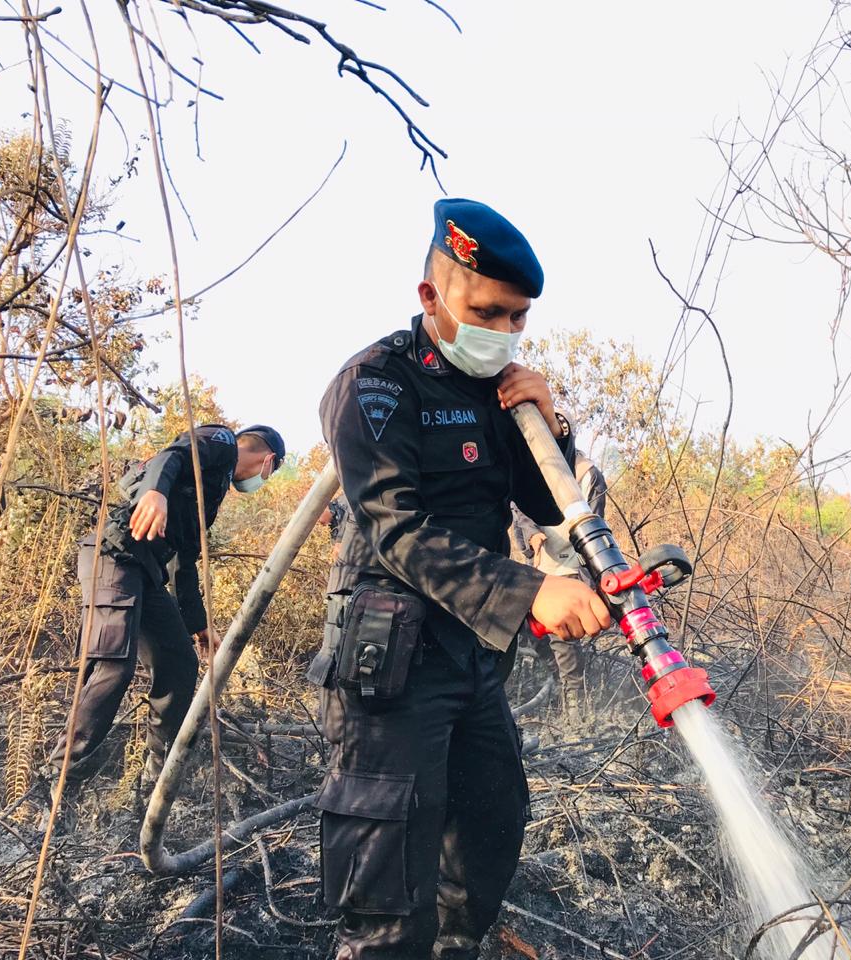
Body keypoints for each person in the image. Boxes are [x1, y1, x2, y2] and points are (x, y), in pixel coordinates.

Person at [312, 198, 612, 959]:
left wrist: (554, 422)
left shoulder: (497, 392)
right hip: (393, 660)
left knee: (490, 823)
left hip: (473, 660)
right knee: (388, 896)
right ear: (431, 298)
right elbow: (395, 528)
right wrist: (529, 590)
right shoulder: (376, 385)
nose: (505, 332)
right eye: (488, 312)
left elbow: (545, 503)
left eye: (517, 318)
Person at [46, 424, 285, 785]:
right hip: (114, 556)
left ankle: (155, 779)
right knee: (114, 667)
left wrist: (199, 624)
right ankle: (59, 778)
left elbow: (183, 561)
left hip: (146, 572)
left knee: (180, 663)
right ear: (268, 461)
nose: (261, 480)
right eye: (269, 473)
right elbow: (173, 454)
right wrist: (154, 492)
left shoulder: (214, 485)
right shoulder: (221, 443)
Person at [510, 450, 607, 717]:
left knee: (564, 641)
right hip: (542, 568)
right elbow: (517, 508)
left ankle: (575, 708)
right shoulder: (530, 467)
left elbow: (595, 528)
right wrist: (532, 535)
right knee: (535, 635)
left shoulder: (588, 474)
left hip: (574, 566)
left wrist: (589, 581)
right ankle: (556, 683)